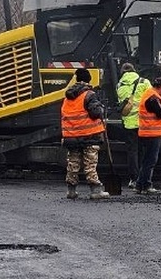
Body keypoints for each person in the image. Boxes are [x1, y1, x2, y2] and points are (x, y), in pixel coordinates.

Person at [61, 68, 109, 200]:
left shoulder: (68, 97)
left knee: (73, 163)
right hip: (89, 135)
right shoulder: (89, 95)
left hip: (71, 135)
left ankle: (71, 191)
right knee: (90, 164)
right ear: (89, 80)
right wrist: (101, 108)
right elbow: (95, 113)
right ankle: (95, 191)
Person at [116, 63, 151, 190]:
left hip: (128, 123)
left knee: (132, 151)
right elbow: (152, 99)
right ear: (134, 70)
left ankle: (133, 178)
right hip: (142, 122)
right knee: (144, 151)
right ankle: (143, 177)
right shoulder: (144, 82)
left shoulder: (119, 85)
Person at [135, 77, 161, 195]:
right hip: (151, 133)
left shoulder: (150, 95)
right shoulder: (153, 98)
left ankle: (139, 185)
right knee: (150, 160)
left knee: (146, 160)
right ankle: (146, 185)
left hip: (147, 133)